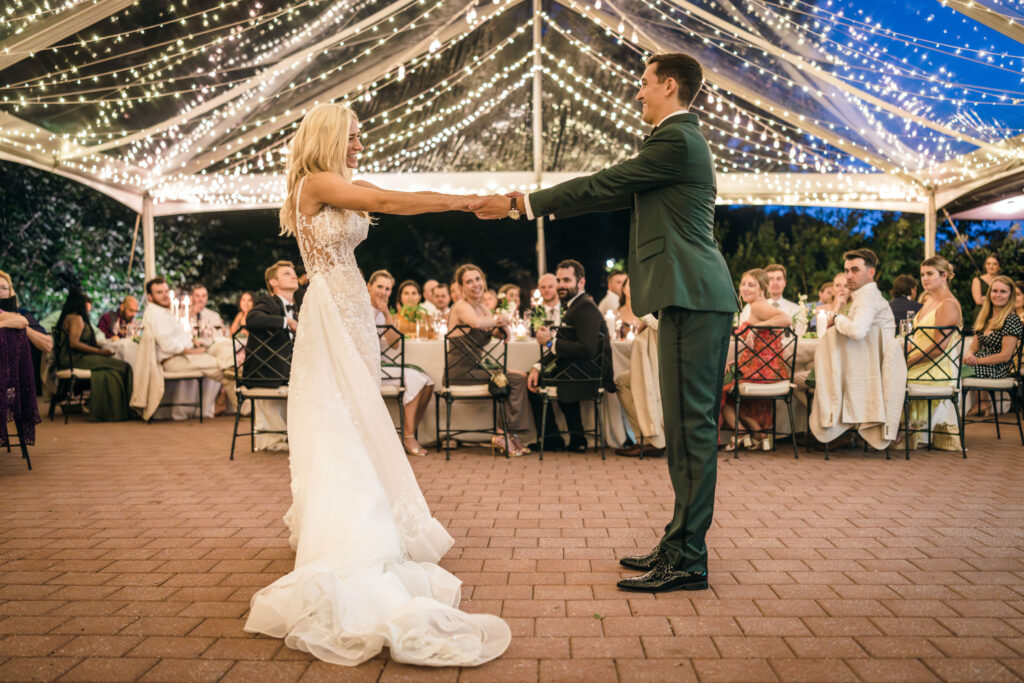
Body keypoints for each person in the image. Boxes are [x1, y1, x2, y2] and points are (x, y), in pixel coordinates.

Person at [243, 103, 509, 667]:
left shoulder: (335, 183)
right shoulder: (316, 183)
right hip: (334, 310)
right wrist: (463, 201)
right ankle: (350, 529)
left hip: (349, 306)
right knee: (340, 414)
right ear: (331, 137)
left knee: (358, 412)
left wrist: (459, 199)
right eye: (355, 136)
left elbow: (389, 196)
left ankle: (365, 515)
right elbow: (388, 203)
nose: (361, 143)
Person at [472, 52, 737, 593]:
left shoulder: (678, 139)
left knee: (692, 429)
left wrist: (524, 203)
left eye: (643, 84)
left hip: (695, 296)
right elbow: (612, 190)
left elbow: (603, 183)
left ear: (668, 85)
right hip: (686, 297)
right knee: (684, 429)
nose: (637, 94)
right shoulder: (673, 144)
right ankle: (678, 541)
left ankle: (688, 557)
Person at [811, 249, 906, 450]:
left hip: (866, 373)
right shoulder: (866, 296)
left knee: (807, 378)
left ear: (870, 272)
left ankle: (828, 430)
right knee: (819, 371)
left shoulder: (867, 298)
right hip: (868, 370)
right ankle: (836, 430)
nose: (848, 276)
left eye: (855, 270)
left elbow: (857, 330)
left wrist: (836, 318)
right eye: (846, 270)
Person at [527, 260, 614, 452]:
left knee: (535, 383)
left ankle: (553, 439)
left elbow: (587, 349)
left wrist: (550, 342)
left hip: (589, 374)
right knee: (537, 375)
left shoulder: (585, 308)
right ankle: (576, 438)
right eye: (559, 280)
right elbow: (564, 344)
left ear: (581, 282)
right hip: (578, 369)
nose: (561, 285)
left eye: (566, 280)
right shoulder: (575, 305)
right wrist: (538, 366)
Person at [447, 264, 531, 456]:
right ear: (461, 288)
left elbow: (498, 333)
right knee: (516, 379)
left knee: (519, 376)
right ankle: (505, 434)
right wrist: (500, 319)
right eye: (469, 281)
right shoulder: (462, 307)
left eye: (478, 279)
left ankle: (508, 433)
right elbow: (476, 323)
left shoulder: (483, 307)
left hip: (476, 369)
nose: (475, 284)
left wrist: (503, 327)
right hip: (460, 371)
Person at [719, 269, 793, 451]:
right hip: (766, 368)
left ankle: (742, 432)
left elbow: (786, 318)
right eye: (743, 284)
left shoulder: (758, 306)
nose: (745, 288)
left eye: (751, 285)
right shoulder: (757, 306)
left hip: (762, 370)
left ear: (762, 290)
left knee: (718, 391)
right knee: (733, 388)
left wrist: (757, 326)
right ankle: (759, 434)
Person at [367, 270, 435, 457]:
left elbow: (395, 343)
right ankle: (409, 437)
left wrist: (387, 313)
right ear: (369, 287)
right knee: (415, 377)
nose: (383, 291)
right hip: (368, 368)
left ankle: (408, 431)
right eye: (380, 286)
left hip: (383, 365)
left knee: (429, 382)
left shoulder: (383, 312)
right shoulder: (362, 309)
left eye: (388, 288)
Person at [141, 277, 226, 419]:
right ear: (150, 297)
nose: (165, 295)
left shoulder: (162, 312)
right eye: (159, 292)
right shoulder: (156, 314)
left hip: (181, 356)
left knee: (223, 357)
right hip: (173, 360)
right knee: (221, 364)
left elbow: (178, 336)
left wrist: (193, 341)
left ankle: (218, 404)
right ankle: (230, 403)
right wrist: (192, 351)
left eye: (166, 291)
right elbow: (168, 345)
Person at [903, 257, 962, 450]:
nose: (924, 279)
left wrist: (907, 364)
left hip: (935, 370)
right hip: (920, 362)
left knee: (888, 377)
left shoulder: (948, 305)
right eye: (922, 274)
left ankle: (896, 430)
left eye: (929, 274)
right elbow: (918, 338)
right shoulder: (928, 300)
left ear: (944, 276)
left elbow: (938, 348)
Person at [244, 263, 300, 451]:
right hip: (267, 372)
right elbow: (252, 319)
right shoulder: (269, 302)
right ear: (273, 282)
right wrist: (286, 322)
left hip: (287, 370)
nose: (293, 276)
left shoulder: (297, 307)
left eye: (293, 274)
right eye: (287, 274)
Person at [55, 289, 134, 421]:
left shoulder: (67, 317)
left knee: (110, 374)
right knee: (124, 366)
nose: (89, 310)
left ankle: (106, 409)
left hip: (71, 358)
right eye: (87, 307)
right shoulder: (76, 318)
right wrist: (100, 352)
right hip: (75, 359)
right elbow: (74, 343)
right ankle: (128, 408)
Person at [964, 276, 1022, 414]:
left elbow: (1005, 356)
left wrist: (976, 361)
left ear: (1010, 295)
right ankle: (980, 403)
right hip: (982, 363)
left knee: (958, 372)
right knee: (954, 368)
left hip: (1000, 368)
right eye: (994, 291)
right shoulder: (985, 316)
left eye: (1003, 291)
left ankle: (978, 405)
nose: (998, 295)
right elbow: (973, 348)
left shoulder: (1011, 319)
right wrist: (970, 356)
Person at [0, 270, 53, 394]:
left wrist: (22, 326)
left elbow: (48, 345)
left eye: (4, 288)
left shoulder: (22, 314)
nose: (0, 291)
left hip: (18, 375)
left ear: (10, 292)